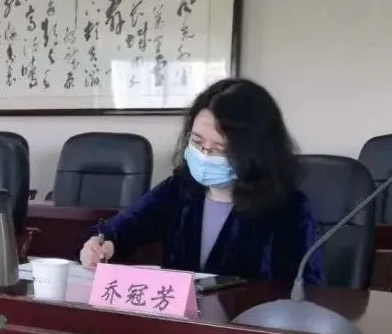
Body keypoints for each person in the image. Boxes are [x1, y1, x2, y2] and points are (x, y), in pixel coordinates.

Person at [79, 78, 324, 284]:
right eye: (197, 142)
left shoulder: (288, 209)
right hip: (181, 323)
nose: (205, 155)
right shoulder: (180, 189)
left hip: (247, 324)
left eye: (219, 148)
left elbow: (306, 291)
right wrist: (100, 245)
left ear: (252, 152)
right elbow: (118, 230)